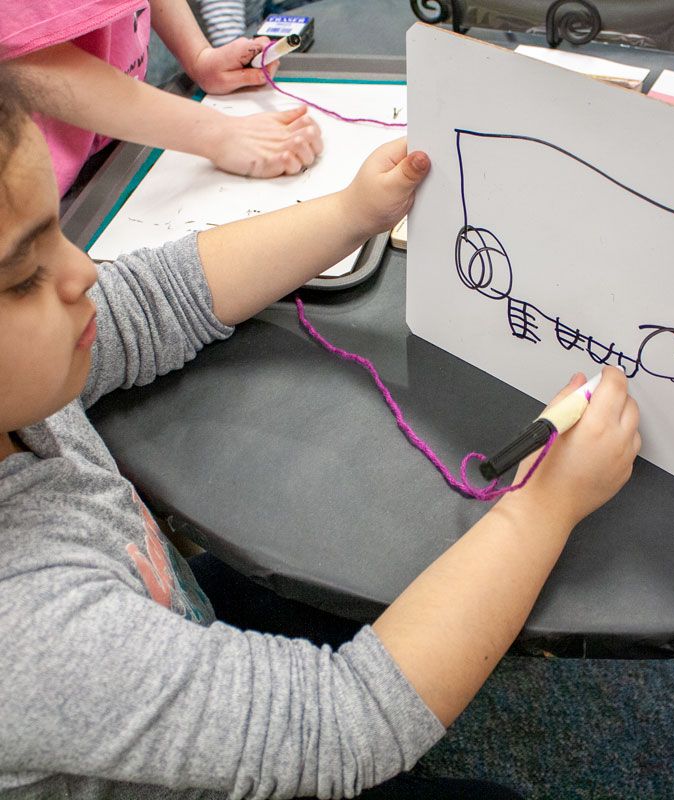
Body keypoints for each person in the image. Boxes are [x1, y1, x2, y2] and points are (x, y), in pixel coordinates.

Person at [0, 64, 641, 799]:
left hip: (156, 618)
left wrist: (350, 213)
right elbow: (344, 726)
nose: (81, 270)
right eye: (22, 276)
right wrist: (546, 507)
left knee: (380, 560)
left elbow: (153, 300)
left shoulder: (23, 384)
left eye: (56, 237)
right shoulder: (28, 635)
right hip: (224, 724)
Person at [0, 0, 322, 197]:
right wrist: (216, 132)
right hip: (29, 192)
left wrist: (198, 56)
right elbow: (27, 62)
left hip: (106, 148)